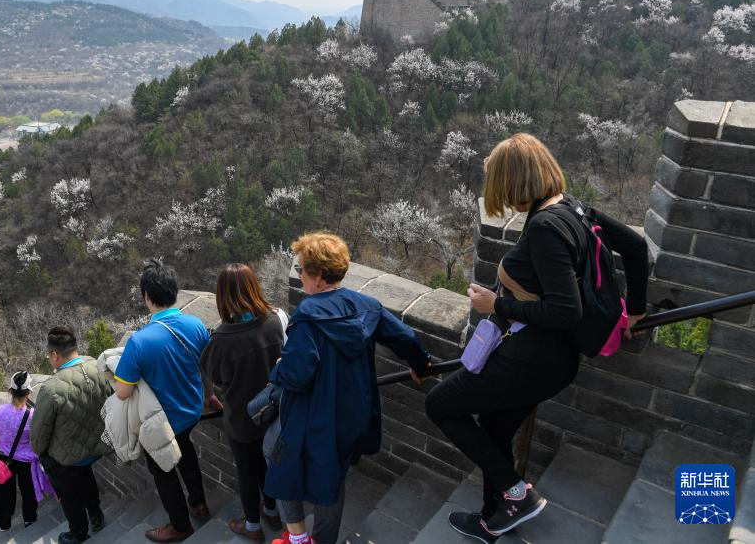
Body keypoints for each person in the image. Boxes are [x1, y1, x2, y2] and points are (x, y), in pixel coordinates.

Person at [425, 133, 649, 543]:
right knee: (494, 430)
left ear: (511, 181)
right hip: (554, 362)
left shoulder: (545, 227)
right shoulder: (573, 207)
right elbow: (635, 246)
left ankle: (516, 494)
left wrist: (497, 305)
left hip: (531, 360)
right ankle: (494, 518)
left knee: (439, 405)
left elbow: (566, 310)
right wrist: (636, 308)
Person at [266, 232, 432, 544]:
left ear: (317, 275)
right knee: (334, 475)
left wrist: (278, 369)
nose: (299, 276)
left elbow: (299, 374)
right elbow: (406, 339)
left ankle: (300, 539)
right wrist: (421, 366)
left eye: (300, 270)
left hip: (316, 413)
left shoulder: (307, 318)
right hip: (356, 409)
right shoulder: (367, 306)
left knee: (278, 456)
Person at [114, 259, 212, 543]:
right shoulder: (196, 325)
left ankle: (180, 525)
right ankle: (199, 503)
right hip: (193, 410)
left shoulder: (139, 342)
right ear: (175, 291)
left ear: (146, 297)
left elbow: (122, 393)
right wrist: (211, 395)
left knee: (163, 468)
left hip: (163, 421)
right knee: (187, 452)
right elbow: (205, 366)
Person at [200, 264, 286, 542]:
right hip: (273, 410)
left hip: (241, 419)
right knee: (271, 463)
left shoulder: (221, 340)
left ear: (222, 295)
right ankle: (271, 510)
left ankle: (252, 526)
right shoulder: (274, 321)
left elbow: (213, 375)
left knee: (247, 472)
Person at [30, 326, 111, 544]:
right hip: (94, 446)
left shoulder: (51, 389)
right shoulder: (97, 366)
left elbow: (38, 436)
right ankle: (96, 515)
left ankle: (78, 533)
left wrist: (41, 454)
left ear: (55, 355)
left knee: (69, 495)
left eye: (49, 355)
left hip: (66, 456)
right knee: (86, 478)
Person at [0, 371, 39, 531]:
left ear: (10, 391)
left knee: (5, 493)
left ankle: (5, 524)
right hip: (26, 460)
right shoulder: (34, 414)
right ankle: (29, 518)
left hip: (3, 459)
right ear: (29, 392)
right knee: (28, 489)